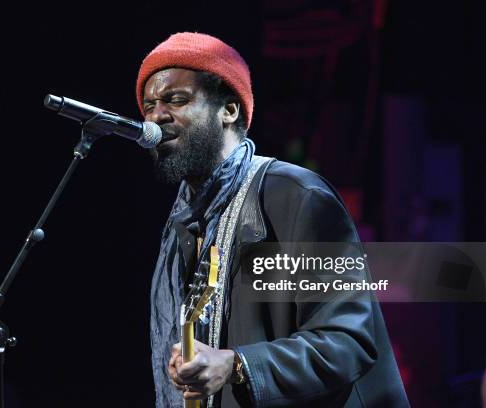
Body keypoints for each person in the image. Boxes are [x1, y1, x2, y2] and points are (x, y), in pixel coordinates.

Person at [138, 32, 409, 407]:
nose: (156, 117)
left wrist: (237, 364)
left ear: (230, 110)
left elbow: (348, 341)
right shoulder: (185, 221)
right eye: (149, 106)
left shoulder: (297, 196)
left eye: (176, 100)